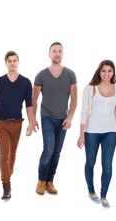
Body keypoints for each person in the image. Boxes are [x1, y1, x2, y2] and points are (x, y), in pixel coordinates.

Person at [32, 42, 77, 195]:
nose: (57, 54)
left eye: (59, 51)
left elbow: (74, 98)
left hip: (63, 119)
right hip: (47, 118)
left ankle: (50, 181)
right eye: (54, 51)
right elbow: (34, 99)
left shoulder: (70, 74)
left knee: (57, 152)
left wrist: (70, 117)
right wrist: (32, 119)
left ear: (62, 54)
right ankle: (41, 181)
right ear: (49, 54)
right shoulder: (41, 75)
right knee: (48, 150)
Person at [77, 60, 116, 208]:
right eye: (103, 71)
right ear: (99, 72)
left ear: (113, 73)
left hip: (110, 131)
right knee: (90, 162)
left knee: (107, 165)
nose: (106, 74)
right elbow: (84, 112)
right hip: (92, 131)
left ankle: (104, 195)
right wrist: (81, 134)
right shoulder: (90, 88)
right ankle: (91, 191)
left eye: (110, 71)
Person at [0, 51, 36, 200]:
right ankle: (6, 186)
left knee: (13, 153)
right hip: (1, 122)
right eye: (9, 61)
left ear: (18, 62)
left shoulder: (25, 82)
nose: (12, 63)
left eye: (14, 61)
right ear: (5, 63)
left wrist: (31, 123)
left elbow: (29, 105)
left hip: (17, 122)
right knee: (4, 154)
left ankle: (7, 174)